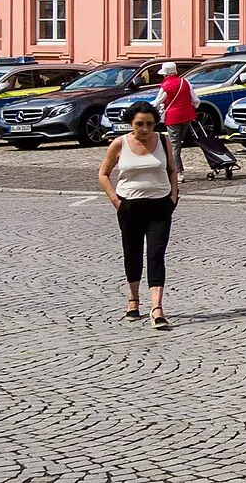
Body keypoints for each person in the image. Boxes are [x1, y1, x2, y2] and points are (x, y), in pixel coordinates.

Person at [96, 99, 179, 330]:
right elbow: (103, 174)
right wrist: (115, 200)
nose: (145, 129)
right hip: (129, 206)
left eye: (150, 124)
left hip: (160, 206)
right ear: (130, 124)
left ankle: (157, 308)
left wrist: (173, 196)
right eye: (139, 124)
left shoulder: (163, 141)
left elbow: (172, 169)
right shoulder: (119, 144)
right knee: (132, 254)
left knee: (156, 255)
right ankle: (133, 300)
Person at [156, 62, 196, 174]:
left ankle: (178, 172)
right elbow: (196, 100)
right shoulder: (185, 81)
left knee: (174, 145)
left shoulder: (165, 86)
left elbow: (157, 103)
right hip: (187, 116)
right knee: (179, 142)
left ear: (165, 74)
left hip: (173, 118)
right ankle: (176, 168)